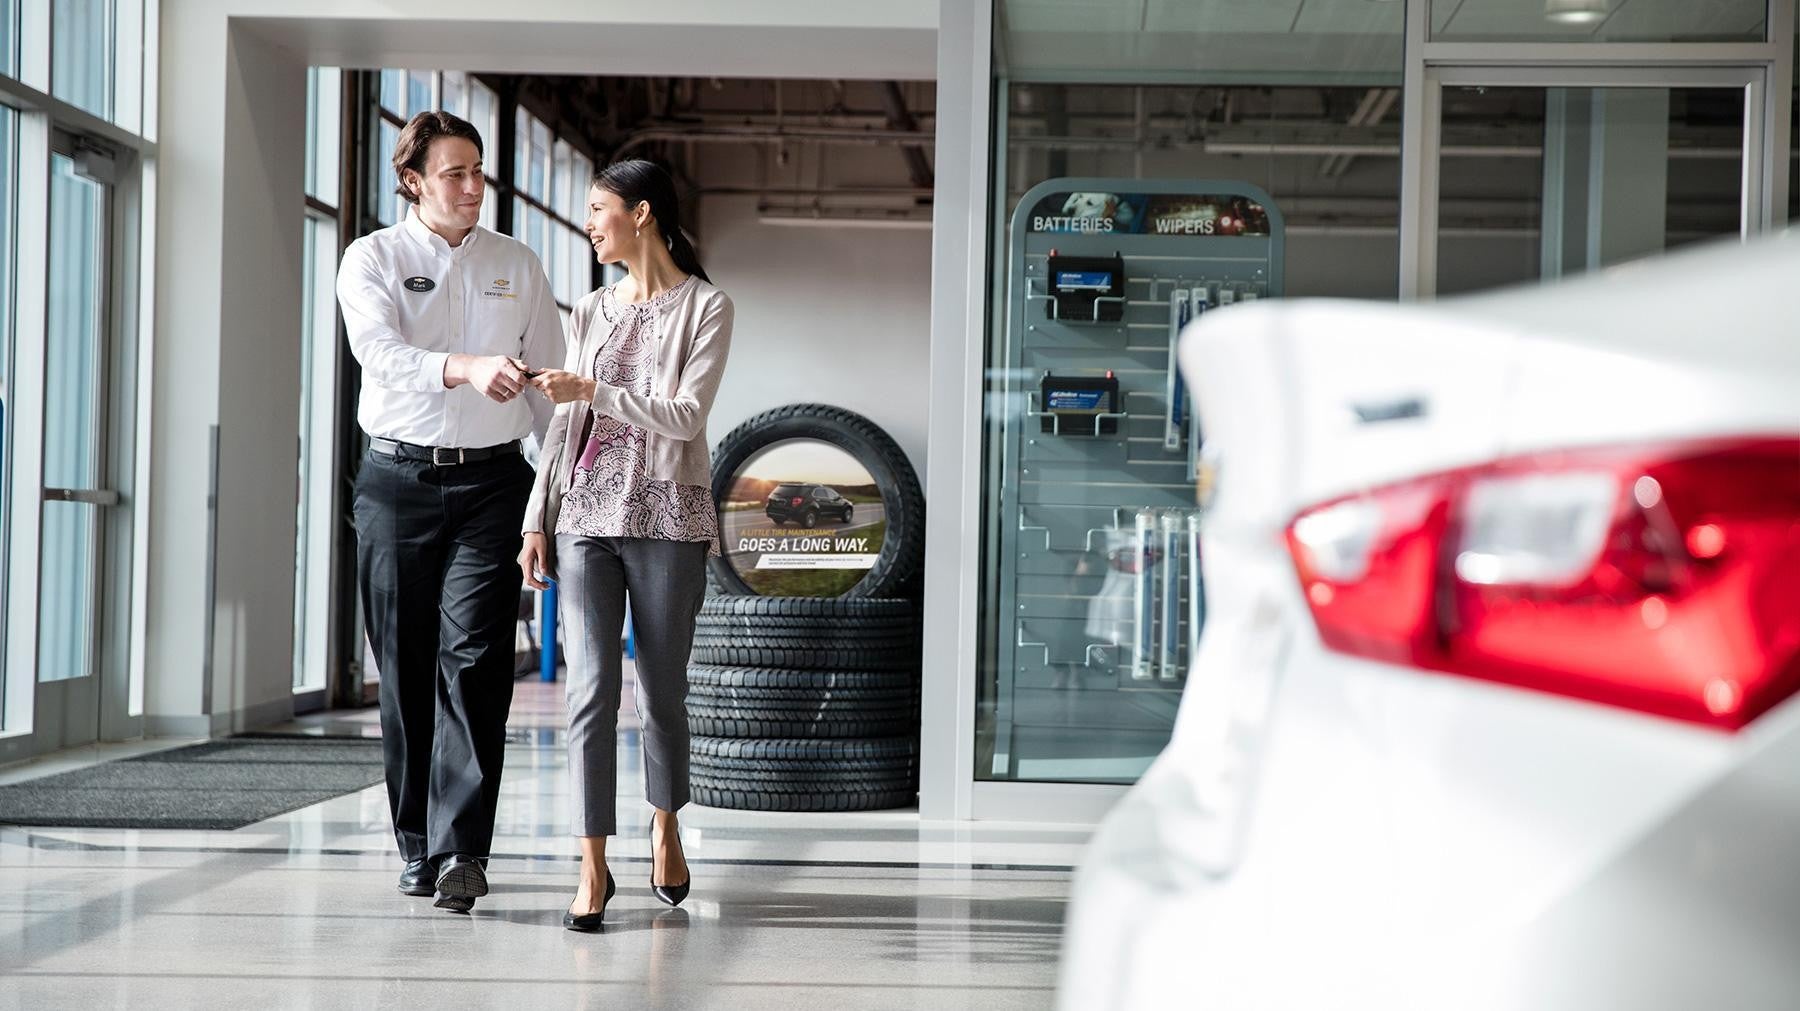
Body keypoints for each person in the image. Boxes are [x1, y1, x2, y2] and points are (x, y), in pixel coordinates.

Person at [336, 111, 564, 914]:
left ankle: (463, 848)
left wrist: (553, 498)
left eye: (479, 172)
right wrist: (464, 366)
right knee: (403, 667)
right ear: (413, 182)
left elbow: (552, 394)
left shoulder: (517, 263)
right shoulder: (372, 259)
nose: (473, 188)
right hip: (395, 481)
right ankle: (414, 845)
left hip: (495, 488)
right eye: (454, 175)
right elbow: (381, 356)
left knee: (474, 664)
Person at [517, 158, 733, 932]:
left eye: (598, 208)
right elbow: (566, 428)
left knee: (662, 691)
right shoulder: (591, 311)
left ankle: (666, 822)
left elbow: (683, 415)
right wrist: (535, 519)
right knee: (589, 692)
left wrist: (594, 391)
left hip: (668, 517)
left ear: (641, 213)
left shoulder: (706, 307)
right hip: (584, 518)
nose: (589, 222)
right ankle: (592, 863)